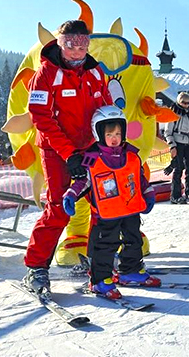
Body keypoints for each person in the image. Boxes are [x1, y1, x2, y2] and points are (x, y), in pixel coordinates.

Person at [22, 19, 113, 294]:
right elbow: (42, 119)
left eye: (83, 45)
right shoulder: (46, 75)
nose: (77, 51)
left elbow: (106, 108)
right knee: (59, 208)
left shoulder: (96, 72)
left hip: (90, 147)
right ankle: (36, 267)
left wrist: (110, 144)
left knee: (105, 204)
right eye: (71, 44)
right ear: (60, 44)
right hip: (56, 149)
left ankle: (100, 261)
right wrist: (68, 153)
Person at [61, 106, 158, 300]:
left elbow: (139, 179)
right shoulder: (92, 159)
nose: (114, 138)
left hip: (130, 209)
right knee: (105, 245)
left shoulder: (131, 155)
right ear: (98, 133)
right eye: (109, 134)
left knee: (134, 240)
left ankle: (130, 270)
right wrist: (70, 195)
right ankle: (100, 280)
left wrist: (148, 194)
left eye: (118, 133)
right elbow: (84, 181)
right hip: (106, 214)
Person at [164, 92, 189, 204]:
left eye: (188, 103)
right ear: (179, 101)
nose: (186, 105)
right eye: (184, 102)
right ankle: (175, 195)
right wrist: (172, 145)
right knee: (178, 168)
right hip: (178, 142)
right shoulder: (173, 113)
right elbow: (168, 132)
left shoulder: (188, 114)